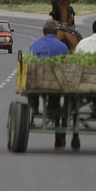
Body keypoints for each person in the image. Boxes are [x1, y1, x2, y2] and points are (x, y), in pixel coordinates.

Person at [27, 19, 70, 148]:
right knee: (56, 95)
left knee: (31, 83)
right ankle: (53, 108)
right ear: (57, 32)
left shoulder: (35, 45)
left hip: (38, 83)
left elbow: (28, 61)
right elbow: (69, 64)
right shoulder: (63, 47)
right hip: (58, 83)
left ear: (43, 31)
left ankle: (33, 107)